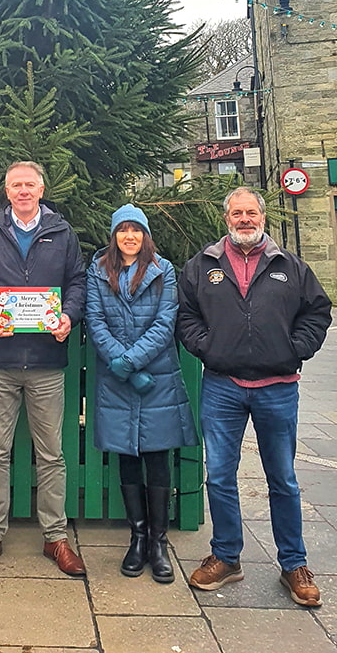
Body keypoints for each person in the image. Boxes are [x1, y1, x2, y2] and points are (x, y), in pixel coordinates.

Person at [178, 187, 332, 608]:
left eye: (251, 212)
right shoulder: (203, 265)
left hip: (277, 389)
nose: (244, 219)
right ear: (225, 218)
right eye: (236, 213)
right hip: (223, 386)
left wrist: (295, 348)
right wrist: (206, 346)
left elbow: (318, 311)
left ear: (262, 217)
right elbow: (186, 312)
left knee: (282, 478)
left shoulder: (290, 267)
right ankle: (226, 557)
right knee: (221, 476)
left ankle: (293, 564)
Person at [0, 161, 87, 577]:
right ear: (7, 190)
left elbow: (78, 282)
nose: (22, 191)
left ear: (41, 188)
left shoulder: (62, 232)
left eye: (29, 185)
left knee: (51, 455)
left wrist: (68, 315)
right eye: (15, 185)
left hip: (47, 361)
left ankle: (55, 537)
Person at [85, 204, 198, 583]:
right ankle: (136, 537)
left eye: (136, 230)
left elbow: (166, 321)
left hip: (157, 376)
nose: (129, 237)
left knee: (156, 454)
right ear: (114, 236)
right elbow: (95, 320)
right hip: (119, 378)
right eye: (122, 231)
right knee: (127, 454)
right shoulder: (98, 271)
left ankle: (158, 542)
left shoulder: (163, 270)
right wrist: (123, 365)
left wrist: (130, 361)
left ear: (145, 235)